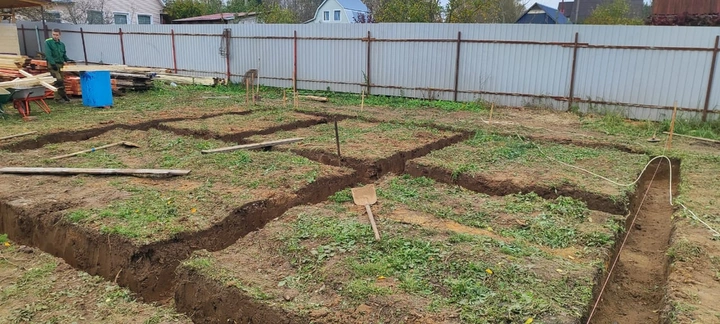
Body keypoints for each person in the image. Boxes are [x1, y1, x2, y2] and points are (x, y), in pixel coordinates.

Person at [44, 28, 73, 103]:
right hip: (53, 64)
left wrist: (68, 60)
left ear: (60, 35)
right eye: (53, 34)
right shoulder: (48, 42)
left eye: (57, 35)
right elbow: (48, 54)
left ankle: (61, 96)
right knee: (58, 80)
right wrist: (52, 63)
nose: (55, 36)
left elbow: (64, 55)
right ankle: (60, 97)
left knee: (61, 80)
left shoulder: (62, 44)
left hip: (60, 64)